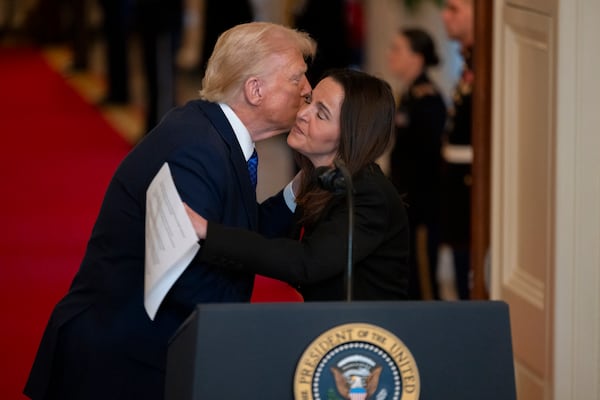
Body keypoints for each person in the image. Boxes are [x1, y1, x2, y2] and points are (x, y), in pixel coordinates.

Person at [24, 22, 316, 400]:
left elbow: (239, 234)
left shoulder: (211, 132)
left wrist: (303, 185)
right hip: (116, 366)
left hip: (142, 351)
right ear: (255, 90)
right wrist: (258, 336)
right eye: (297, 78)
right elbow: (187, 278)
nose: (308, 89)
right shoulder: (197, 150)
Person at [184, 68, 410, 301]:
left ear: (351, 136)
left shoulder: (367, 193)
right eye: (310, 101)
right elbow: (262, 228)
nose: (303, 113)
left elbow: (306, 263)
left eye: (321, 114)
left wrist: (209, 232)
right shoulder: (319, 177)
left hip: (358, 333)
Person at [386, 28, 447, 300]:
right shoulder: (409, 94)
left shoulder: (428, 99)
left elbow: (428, 160)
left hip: (422, 207)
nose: (391, 56)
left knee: (422, 278)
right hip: (408, 203)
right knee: (406, 275)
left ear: (417, 58)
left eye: (398, 49)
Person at [441, 0, 474, 300]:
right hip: (456, 186)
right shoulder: (469, 64)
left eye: (454, 9)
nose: (444, 16)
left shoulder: (486, 67)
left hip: (472, 188)